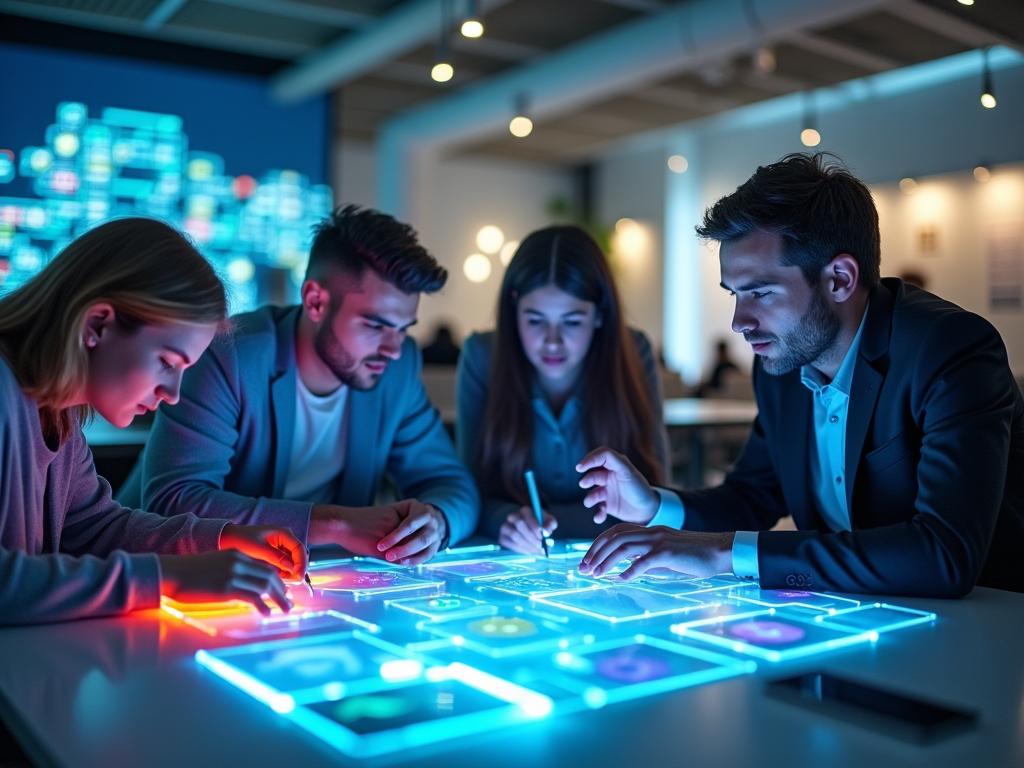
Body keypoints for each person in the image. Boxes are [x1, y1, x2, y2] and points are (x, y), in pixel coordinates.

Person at [576, 153, 1024, 598]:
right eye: (734, 294)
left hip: (985, 626)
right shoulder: (780, 364)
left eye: (761, 293)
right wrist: (654, 505)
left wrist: (726, 553)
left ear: (839, 279)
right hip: (854, 616)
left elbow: (945, 554)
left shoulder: (950, 348)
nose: (739, 322)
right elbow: (753, 495)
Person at [118, 205, 478, 565]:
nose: (394, 349)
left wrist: (437, 519)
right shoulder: (230, 355)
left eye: (403, 328)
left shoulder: (395, 368)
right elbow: (175, 501)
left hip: (315, 578)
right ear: (315, 301)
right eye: (375, 325)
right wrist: (335, 525)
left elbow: (449, 481)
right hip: (161, 570)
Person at [0, 218, 308, 626]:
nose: (173, 394)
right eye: (166, 363)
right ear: (97, 324)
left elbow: (92, 529)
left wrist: (221, 538)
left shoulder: (59, 415)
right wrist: (168, 578)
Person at [457, 225, 669, 554]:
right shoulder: (483, 355)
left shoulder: (633, 351)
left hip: (614, 558)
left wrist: (501, 517)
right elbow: (466, 489)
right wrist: (505, 521)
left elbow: (656, 493)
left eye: (571, 321)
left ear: (599, 315)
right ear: (513, 311)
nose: (552, 341)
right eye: (535, 319)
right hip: (513, 560)